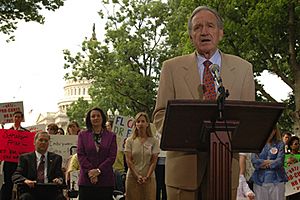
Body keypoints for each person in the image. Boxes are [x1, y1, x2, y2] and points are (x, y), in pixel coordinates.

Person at [153, 5, 255, 200]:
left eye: (210, 26)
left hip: (225, 171)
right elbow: (160, 115)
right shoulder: (171, 68)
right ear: (191, 35)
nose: (204, 31)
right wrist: (187, 133)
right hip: (182, 171)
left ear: (220, 33)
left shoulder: (243, 69)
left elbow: (250, 118)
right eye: (198, 27)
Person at [77, 107, 117, 200]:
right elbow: (81, 155)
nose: (96, 118)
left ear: (102, 118)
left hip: (105, 180)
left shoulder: (111, 136)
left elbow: (111, 157)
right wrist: (91, 171)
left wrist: (98, 171)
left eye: (98, 116)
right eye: (93, 116)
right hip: (86, 180)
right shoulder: (82, 135)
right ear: (89, 119)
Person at [12, 131, 65, 200]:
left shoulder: (56, 158)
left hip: (50, 191)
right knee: (25, 197)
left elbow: (60, 176)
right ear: (34, 142)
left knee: (60, 198)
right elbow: (16, 175)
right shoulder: (25, 158)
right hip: (31, 190)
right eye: (41, 140)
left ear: (49, 143)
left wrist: (59, 179)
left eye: (46, 141)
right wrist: (26, 180)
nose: (43, 142)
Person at [124, 112, 160, 200]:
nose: (140, 124)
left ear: (147, 124)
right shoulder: (130, 141)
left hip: (149, 178)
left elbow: (153, 161)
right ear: (135, 124)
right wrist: (137, 176)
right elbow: (129, 161)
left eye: (143, 121)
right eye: (138, 121)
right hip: (133, 177)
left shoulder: (154, 141)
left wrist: (147, 176)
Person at [251, 126, 288, 200]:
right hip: (259, 181)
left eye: (271, 130)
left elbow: (279, 162)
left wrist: (263, 163)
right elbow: (254, 161)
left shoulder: (280, 144)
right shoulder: (256, 143)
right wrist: (270, 162)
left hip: (277, 181)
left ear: (274, 131)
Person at [0, 111, 29, 200]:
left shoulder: (26, 133)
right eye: (15, 117)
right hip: (9, 162)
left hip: (21, 163)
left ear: (21, 119)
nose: (17, 118)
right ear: (13, 118)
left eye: (19, 117)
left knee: (21, 183)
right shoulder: (7, 132)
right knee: (8, 183)